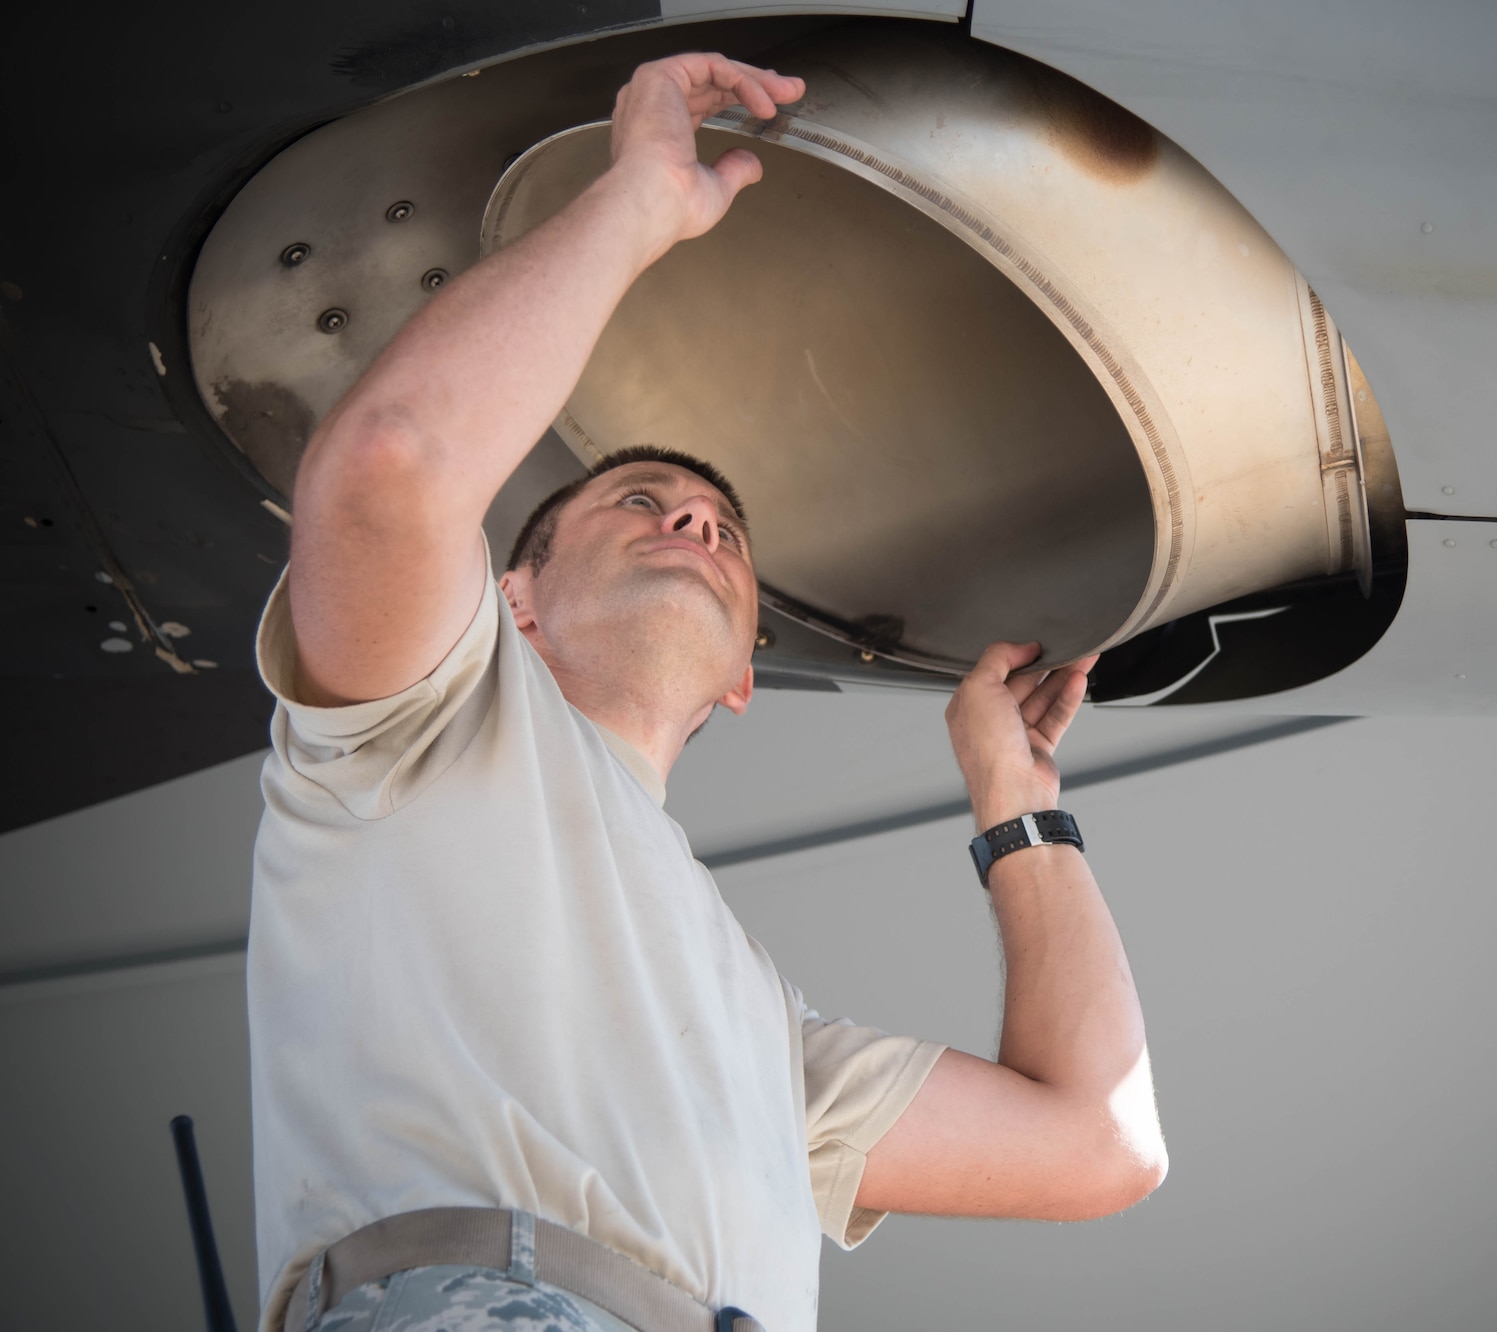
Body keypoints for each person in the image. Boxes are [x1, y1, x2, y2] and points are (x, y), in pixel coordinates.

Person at [249, 51, 1165, 1332]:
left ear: (744, 679)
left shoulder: (757, 1034)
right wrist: (637, 200)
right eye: (638, 504)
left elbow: (1097, 1143)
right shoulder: (412, 732)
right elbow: (392, 464)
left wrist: (1017, 808)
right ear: (512, 602)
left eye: (723, 531)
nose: (691, 512)